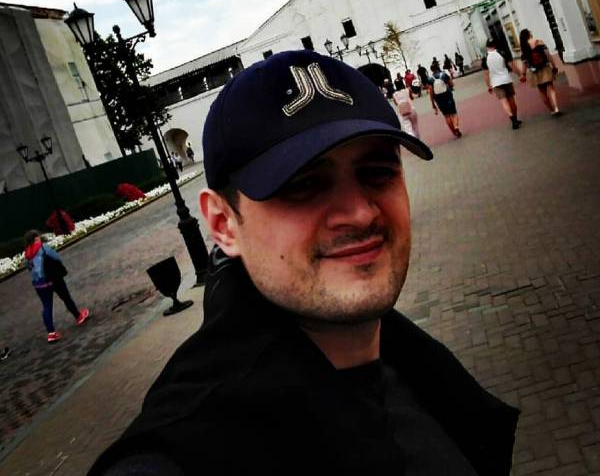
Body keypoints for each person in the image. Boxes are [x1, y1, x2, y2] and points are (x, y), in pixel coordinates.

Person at [90, 50, 518, 475]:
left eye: (377, 172)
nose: (361, 213)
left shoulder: (417, 365)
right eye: (304, 185)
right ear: (223, 224)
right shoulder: (189, 446)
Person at [24, 230, 89, 343]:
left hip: (39, 284)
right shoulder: (43, 248)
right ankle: (78, 317)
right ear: (36, 238)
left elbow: (29, 267)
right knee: (66, 297)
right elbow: (56, 257)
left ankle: (51, 333)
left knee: (47, 306)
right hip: (53, 279)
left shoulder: (27, 254)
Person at [518, 29, 562, 116]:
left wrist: (523, 74)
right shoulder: (539, 42)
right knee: (551, 88)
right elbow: (548, 55)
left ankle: (552, 110)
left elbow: (524, 62)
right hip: (545, 67)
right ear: (529, 34)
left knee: (542, 92)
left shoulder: (523, 47)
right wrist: (554, 66)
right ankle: (556, 108)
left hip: (534, 72)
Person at [481, 39, 522, 130]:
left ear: (487, 46)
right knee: (512, 99)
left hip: (495, 83)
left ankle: (513, 120)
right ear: (495, 45)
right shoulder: (502, 53)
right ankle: (515, 118)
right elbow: (512, 66)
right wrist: (520, 75)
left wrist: (488, 86)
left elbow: (486, 74)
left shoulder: (485, 59)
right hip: (506, 79)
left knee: (504, 101)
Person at [429, 63, 462, 138]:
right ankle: (456, 126)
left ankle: (454, 132)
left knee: (447, 116)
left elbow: (431, 92)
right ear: (438, 67)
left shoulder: (430, 79)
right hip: (448, 96)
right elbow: (451, 84)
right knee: (453, 113)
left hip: (439, 99)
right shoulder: (444, 75)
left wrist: (433, 104)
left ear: (432, 70)